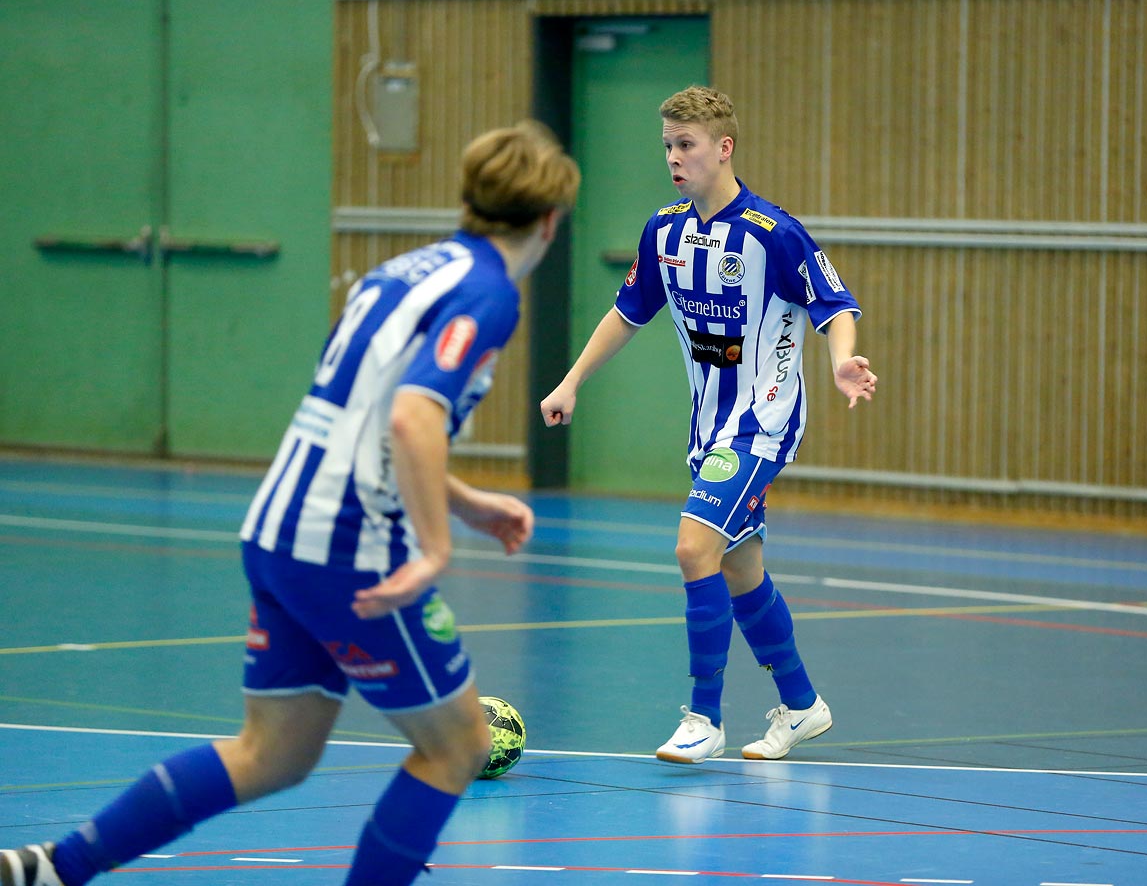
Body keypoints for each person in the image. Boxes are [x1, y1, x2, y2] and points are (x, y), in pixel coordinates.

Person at [0, 122, 580, 886]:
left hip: (278, 531)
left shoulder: (403, 270)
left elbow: (361, 418)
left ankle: (51, 868)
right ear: (548, 220)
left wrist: (465, 501)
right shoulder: (490, 293)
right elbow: (412, 415)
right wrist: (438, 550)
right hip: (348, 545)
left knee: (274, 752)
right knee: (458, 745)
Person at [540, 85, 876, 764]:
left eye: (686, 144)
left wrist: (842, 360)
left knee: (694, 549)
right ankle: (803, 705)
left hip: (762, 423)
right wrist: (572, 380)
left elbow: (833, 303)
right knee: (740, 570)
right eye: (667, 144)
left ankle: (703, 717)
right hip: (708, 431)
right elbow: (628, 312)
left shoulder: (772, 232)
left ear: (723, 149)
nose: (674, 156)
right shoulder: (663, 230)